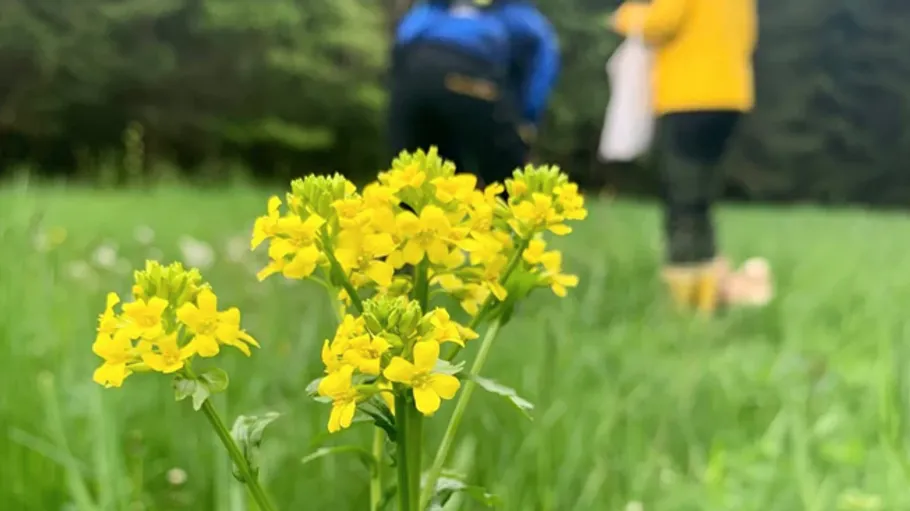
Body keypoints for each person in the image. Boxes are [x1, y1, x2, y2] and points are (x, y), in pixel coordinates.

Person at [609, 0, 768, 313]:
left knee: (681, 198)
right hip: (731, 95)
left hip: (688, 95)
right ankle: (709, 292)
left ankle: (685, 300)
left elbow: (661, 22)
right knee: (701, 199)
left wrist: (625, 15)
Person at [388, 0, 560, 186]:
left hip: (414, 77)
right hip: (473, 75)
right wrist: (527, 119)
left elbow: (401, 41)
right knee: (509, 178)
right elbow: (544, 60)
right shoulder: (516, 13)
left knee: (416, 176)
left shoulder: (429, 9)